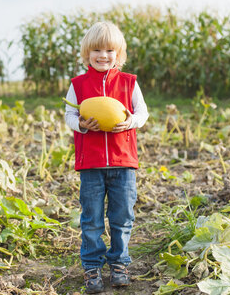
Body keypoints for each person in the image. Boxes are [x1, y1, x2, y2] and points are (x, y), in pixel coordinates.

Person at [64, 21, 149, 293]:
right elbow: (69, 115)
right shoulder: (77, 85)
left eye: (109, 50)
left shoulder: (129, 83)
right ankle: (91, 268)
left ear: (119, 54)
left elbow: (143, 112)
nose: (103, 56)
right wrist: (81, 125)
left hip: (124, 164)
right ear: (87, 53)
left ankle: (120, 263)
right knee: (91, 219)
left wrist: (131, 122)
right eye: (97, 50)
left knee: (122, 216)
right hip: (91, 164)